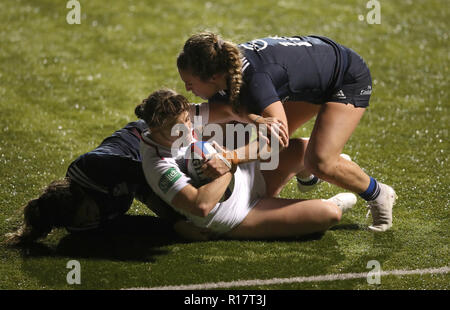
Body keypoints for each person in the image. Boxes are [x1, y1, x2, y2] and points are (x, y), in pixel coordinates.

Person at [177, 32, 397, 232]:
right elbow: (215, 114)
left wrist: (230, 157)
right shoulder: (225, 70)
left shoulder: (255, 82)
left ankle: (378, 193)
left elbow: (275, 143)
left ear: (213, 77)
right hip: (306, 72)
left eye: (189, 83)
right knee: (248, 152)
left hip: (344, 77)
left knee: (320, 161)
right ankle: (306, 168)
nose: (187, 89)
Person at [136, 88, 358, 240]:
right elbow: (200, 206)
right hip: (236, 213)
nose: (188, 126)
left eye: (187, 120)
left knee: (311, 150)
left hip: (248, 174)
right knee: (330, 214)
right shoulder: (157, 163)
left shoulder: (181, 117)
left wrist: (259, 121)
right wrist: (227, 166)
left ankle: (306, 177)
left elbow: (231, 110)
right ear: (157, 130)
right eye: (179, 126)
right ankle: (311, 200)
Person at [5, 120, 208, 245]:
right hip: (149, 169)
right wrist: (175, 227)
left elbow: (149, 177)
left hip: (155, 137)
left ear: (81, 194)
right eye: (81, 221)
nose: (90, 218)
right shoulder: (81, 225)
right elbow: (133, 224)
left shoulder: (93, 167)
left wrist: (177, 221)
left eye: (85, 212)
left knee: (202, 169)